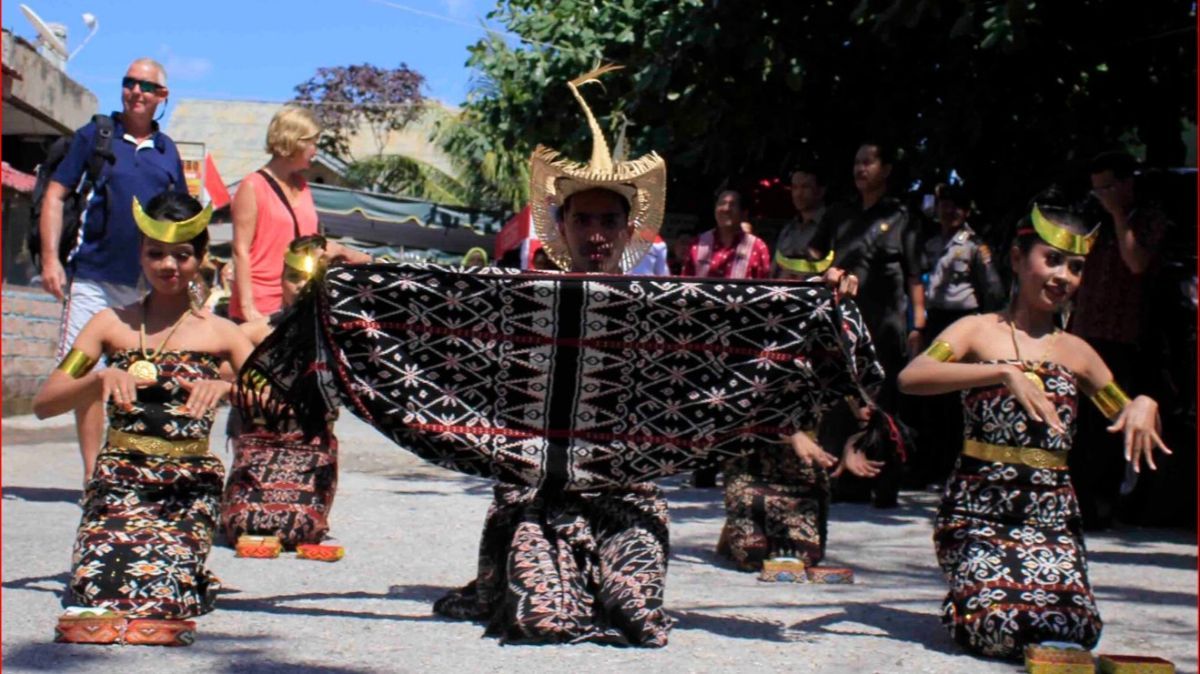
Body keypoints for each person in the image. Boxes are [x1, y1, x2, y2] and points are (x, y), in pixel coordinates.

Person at [897, 190, 1170, 659]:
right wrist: (1002, 372)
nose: (1064, 277)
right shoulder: (976, 331)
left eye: (1075, 268)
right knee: (999, 628)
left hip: (1049, 516)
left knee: (1073, 630)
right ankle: (971, 594)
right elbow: (911, 377)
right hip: (979, 512)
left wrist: (1144, 402)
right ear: (1019, 258)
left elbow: (1123, 412)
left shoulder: (1077, 352)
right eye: (1053, 261)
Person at [33, 191, 253, 639]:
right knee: (96, 588)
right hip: (119, 483)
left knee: (162, 590)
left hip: (185, 490)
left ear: (202, 257)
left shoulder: (222, 334)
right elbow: (46, 402)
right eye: (156, 254)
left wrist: (228, 388)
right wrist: (96, 380)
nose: (168, 266)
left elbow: (282, 402)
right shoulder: (110, 325)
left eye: (182, 255)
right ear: (141, 253)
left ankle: (183, 581)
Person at [39, 58, 186, 483]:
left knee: (146, 379)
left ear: (162, 97)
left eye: (146, 86)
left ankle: (135, 465)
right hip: (91, 280)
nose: (136, 91)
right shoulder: (96, 137)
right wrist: (52, 260)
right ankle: (92, 474)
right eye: (129, 83)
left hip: (145, 287)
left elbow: (175, 220)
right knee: (83, 373)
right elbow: (55, 195)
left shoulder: (167, 151)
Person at [810, 141, 924, 508]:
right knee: (840, 399)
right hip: (842, 320)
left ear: (886, 169)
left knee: (882, 402)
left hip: (886, 324)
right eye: (856, 162)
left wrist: (917, 325)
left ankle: (883, 484)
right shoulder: (839, 213)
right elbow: (814, 256)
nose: (861, 169)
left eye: (868, 162)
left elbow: (914, 276)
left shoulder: (903, 216)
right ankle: (840, 481)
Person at [1069, 151, 1170, 529]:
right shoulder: (1092, 222)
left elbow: (1137, 263)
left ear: (1127, 184)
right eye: (1097, 191)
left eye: (1108, 188)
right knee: (1081, 425)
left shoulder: (1147, 219)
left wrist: (1117, 214)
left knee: (1110, 423)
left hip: (1124, 338)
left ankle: (1105, 501)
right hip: (1086, 335)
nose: (1101, 197)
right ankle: (1078, 503)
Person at [221, 236, 341, 548]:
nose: (302, 287)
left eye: (311, 279)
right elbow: (206, 365)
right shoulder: (254, 333)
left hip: (310, 448)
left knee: (301, 528)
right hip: (258, 445)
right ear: (281, 279)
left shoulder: (340, 339)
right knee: (240, 526)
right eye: (294, 277)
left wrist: (350, 253)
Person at [229, 105, 368, 323]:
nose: (315, 151)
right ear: (295, 141)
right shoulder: (253, 186)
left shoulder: (303, 187)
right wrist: (248, 308)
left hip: (298, 299)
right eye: (313, 143)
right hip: (261, 303)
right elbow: (240, 250)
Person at [911, 184, 1004, 487]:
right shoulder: (932, 242)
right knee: (930, 398)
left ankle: (953, 468)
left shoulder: (975, 245)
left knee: (954, 401)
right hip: (935, 320)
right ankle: (928, 466)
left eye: (955, 206)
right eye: (943, 204)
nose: (948, 211)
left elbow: (991, 289)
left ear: (965, 211)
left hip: (963, 321)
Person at [683, 190, 771, 279]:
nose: (726, 209)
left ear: (744, 213)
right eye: (721, 203)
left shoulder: (757, 247)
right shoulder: (699, 243)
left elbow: (763, 287)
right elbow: (685, 284)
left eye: (732, 205)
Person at [772, 164, 830, 277]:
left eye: (805, 187)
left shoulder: (832, 227)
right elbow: (773, 271)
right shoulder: (788, 230)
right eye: (794, 187)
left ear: (821, 191)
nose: (798, 194)